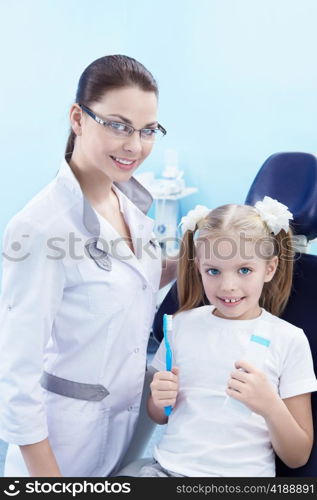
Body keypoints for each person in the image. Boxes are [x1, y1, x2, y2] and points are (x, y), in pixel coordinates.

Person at [0, 54, 177, 477]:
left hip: (127, 428)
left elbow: (132, 280)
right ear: (78, 118)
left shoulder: (127, 202)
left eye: (148, 130)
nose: (135, 145)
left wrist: (198, 258)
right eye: (118, 125)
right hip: (63, 446)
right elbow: (16, 378)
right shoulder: (39, 228)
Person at [139, 197, 317, 477]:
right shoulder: (181, 325)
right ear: (199, 267)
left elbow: (297, 456)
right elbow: (158, 415)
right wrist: (159, 400)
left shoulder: (289, 340)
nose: (228, 286)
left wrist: (270, 407)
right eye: (213, 271)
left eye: (244, 270)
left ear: (269, 269)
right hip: (167, 471)